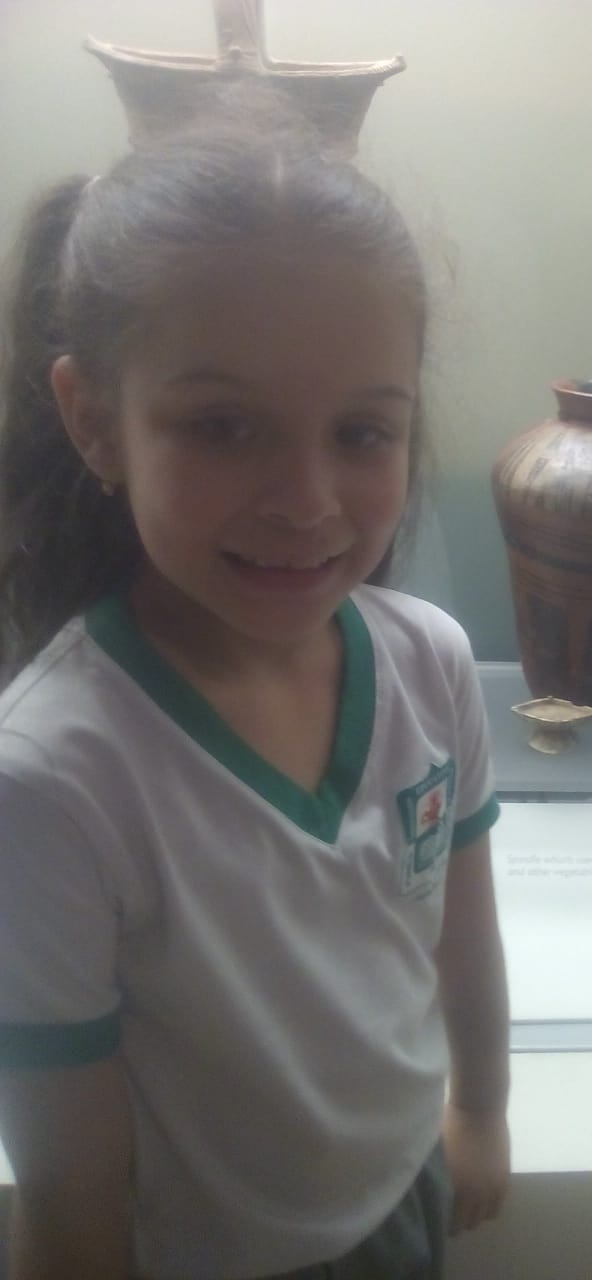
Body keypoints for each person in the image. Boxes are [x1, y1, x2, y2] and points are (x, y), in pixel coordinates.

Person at [0, 95, 510, 1280]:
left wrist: (481, 1107)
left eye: (363, 432)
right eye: (225, 426)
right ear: (94, 421)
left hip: (407, 1200)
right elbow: (73, 1189)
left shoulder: (431, 660)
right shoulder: (54, 782)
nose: (306, 500)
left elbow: (463, 930)